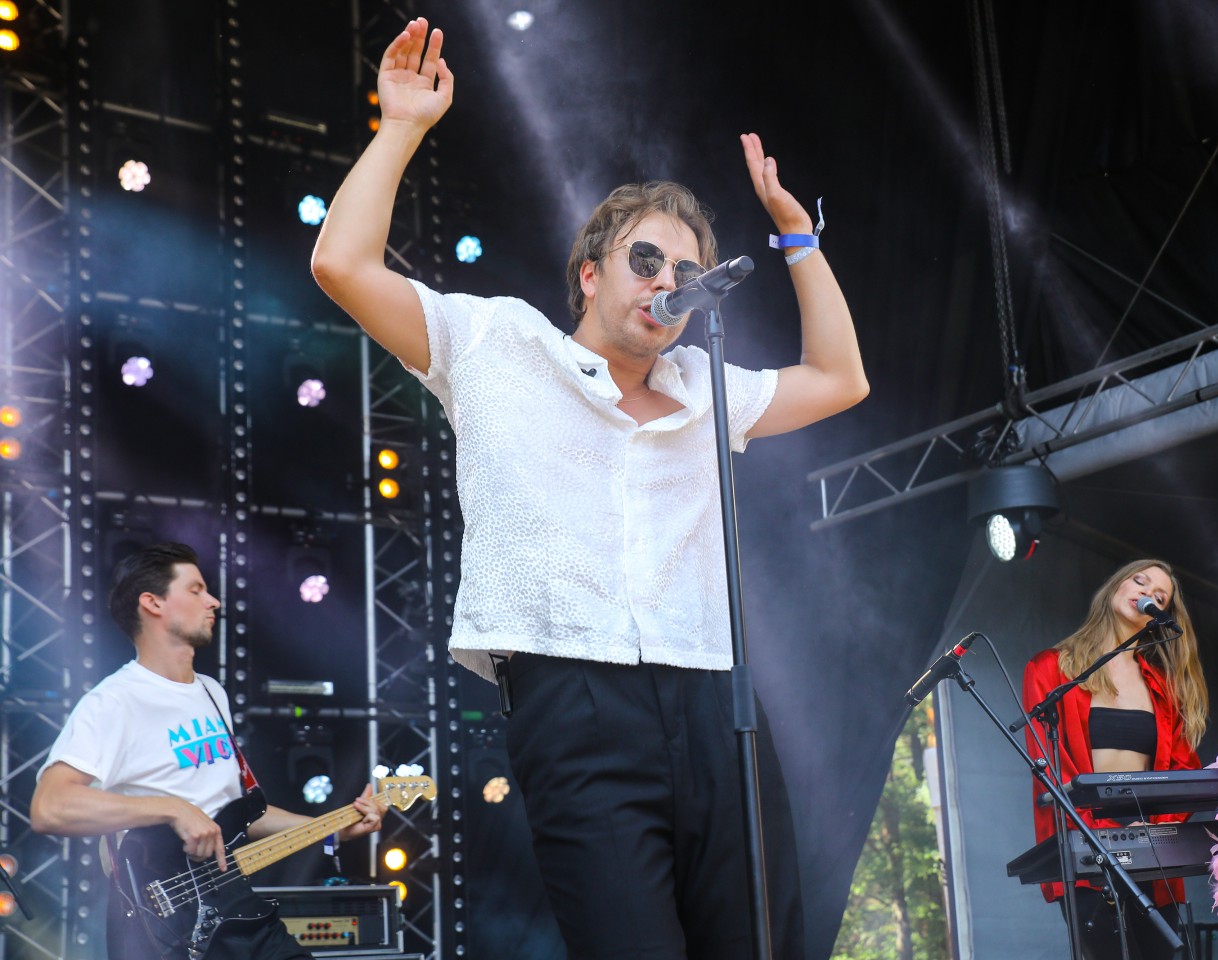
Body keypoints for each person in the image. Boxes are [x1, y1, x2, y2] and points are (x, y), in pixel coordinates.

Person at [309, 17, 867, 960]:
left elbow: (841, 378)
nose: (665, 282)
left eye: (685, 271)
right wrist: (400, 126)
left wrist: (797, 236)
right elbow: (341, 266)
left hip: (715, 694)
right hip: (572, 696)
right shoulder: (497, 344)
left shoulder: (706, 387)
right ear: (590, 273)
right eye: (645, 260)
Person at [30, 543, 386, 960]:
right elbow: (49, 807)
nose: (213, 601)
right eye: (196, 590)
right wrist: (172, 809)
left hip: (237, 905)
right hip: (167, 927)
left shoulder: (212, 693)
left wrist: (329, 828)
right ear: (153, 603)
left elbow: (237, 812)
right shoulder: (114, 701)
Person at [1020, 558, 1209, 960]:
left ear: (1157, 617)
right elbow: (1050, 769)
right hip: (1086, 838)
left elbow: (1184, 768)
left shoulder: (1162, 688)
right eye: (1140, 581)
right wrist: (1106, 833)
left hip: (1151, 844)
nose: (1147, 594)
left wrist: (1155, 827)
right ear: (1116, 586)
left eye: (1159, 597)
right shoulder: (1051, 669)